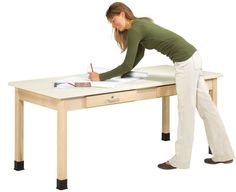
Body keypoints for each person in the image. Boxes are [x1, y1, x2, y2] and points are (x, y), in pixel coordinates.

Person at [89, 2, 234, 169]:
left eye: (114, 20)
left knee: (186, 110)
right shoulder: (140, 25)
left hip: (185, 63)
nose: (114, 25)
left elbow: (127, 64)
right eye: (111, 23)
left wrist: (101, 77)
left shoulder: (136, 28)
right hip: (193, 57)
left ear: (122, 13)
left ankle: (181, 160)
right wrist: (123, 73)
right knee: (207, 108)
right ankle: (224, 153)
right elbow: (137, 57)